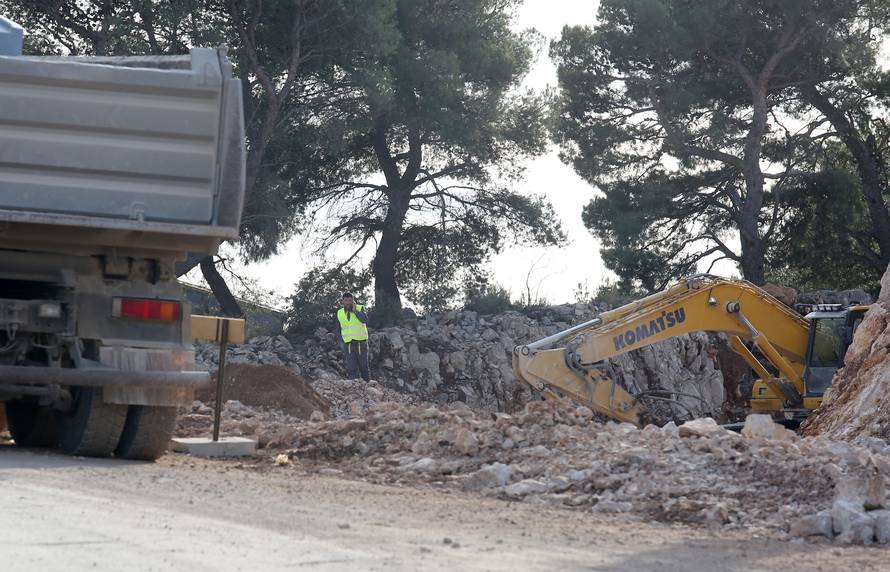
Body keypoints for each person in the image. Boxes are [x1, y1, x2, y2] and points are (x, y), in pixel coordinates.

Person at [335, 292, 371, 381]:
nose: (348, 302)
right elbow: (338, 329)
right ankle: (354, 389)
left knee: (364, 368)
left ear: (353, 301)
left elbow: (365, 320)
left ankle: (368, 388)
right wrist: (341, 342)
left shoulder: (360, 308)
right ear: (342, 301)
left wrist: (355, 311)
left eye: (350, 300)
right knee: (351, 369)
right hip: (348, 345)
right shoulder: (339, 313)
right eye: (346, 300)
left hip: (361, 344)